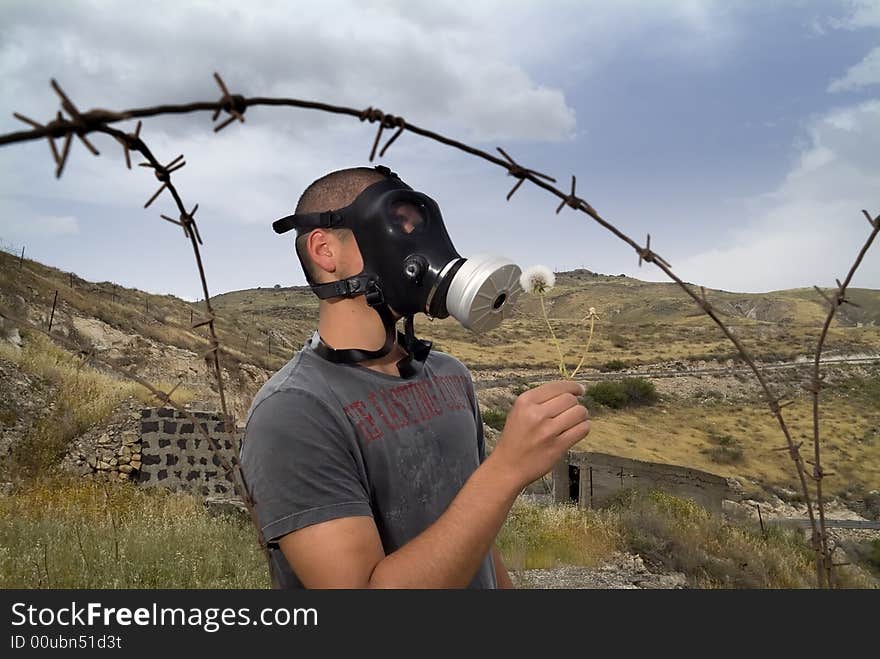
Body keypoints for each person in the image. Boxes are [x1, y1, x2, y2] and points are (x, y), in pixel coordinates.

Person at [240, 165, 590, 589]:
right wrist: (506, 470)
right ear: (325, 251)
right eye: (397, 227)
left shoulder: (448, 374)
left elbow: (474, 537)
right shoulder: (295, 411)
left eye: (420, 228)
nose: (420, 246)